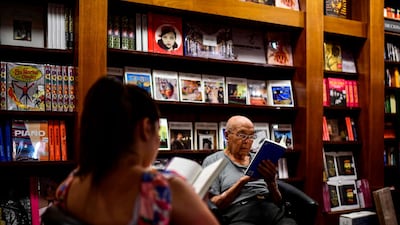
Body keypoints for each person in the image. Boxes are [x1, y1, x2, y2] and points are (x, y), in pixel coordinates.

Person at [53, 76, 219, 225]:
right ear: (146, 128)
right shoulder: (161, 189)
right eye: (158, 130)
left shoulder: (68, 186)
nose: (159, 139)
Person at [202, 115, 297, 225]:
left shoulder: (259, 159)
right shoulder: (213, 161)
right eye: (242, 135)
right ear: (227, 135)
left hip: (269, 207)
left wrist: (271, 182)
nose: (247, 141)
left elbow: (278, 202)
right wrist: (242, 182)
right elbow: (214, 204)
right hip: (240, 211)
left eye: (252, 136)